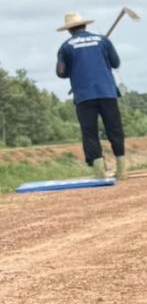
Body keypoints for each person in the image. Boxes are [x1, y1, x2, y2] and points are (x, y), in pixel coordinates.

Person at [55, 11, 127, 179]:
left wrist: (75, 68)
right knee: (114, 129)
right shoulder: (103, 41)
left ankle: (99, 173)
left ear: (69, 30)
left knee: (90, 133)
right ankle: (122, 171)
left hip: (84, 95)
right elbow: (116, 63)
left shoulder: (66, 47)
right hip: (107, 92)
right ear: (85, 25)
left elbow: (61, 72)